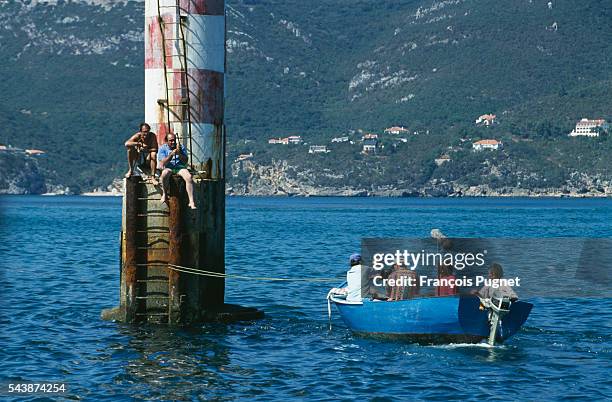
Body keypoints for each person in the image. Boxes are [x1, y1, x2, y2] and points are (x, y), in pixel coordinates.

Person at [157, 133, 196, 209]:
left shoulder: (181, 147)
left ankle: (191, 201)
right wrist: (171, 155)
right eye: (171, 141)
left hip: (179, 167)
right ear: (167, 141)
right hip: (169, 167)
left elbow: (185, 161)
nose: (173, 142)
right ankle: (164, 194)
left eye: (174, 140)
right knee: (164, 174)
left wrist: (180, 153)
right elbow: (163, 162)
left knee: (189, 177)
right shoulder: (162, 148)